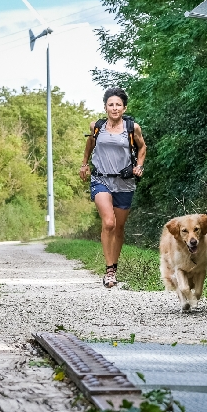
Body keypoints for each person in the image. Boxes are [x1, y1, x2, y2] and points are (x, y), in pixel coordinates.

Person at [79, 87, 146, 288]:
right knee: (108, 222)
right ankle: (108, 271)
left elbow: (142, 147)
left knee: (119, 227)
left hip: (124, 182)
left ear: (124, 108)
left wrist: (139, 166)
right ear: (105, 107)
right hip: (101, 179)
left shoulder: (132, 128)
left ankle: (114, 268)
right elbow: (90, 144)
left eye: (118, 105)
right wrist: (84, 164)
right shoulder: (96, 126)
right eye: (111, 105)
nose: (114, 108)